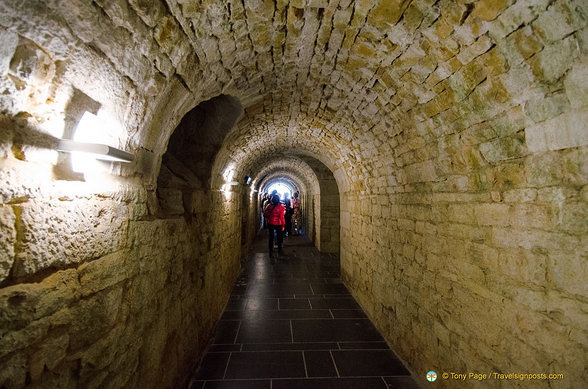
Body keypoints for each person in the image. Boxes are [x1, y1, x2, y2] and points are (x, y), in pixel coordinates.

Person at [263, 194, 285, 259]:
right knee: (279, 235)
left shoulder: (269, 206)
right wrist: (283, 225)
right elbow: (282, 217)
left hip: (271, 223)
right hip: (279, 223)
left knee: (271, 236)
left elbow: (265, 214)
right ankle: (279, 248)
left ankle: (271, 249)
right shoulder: (281, 207)